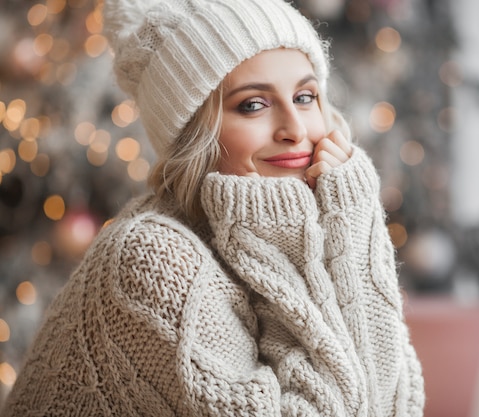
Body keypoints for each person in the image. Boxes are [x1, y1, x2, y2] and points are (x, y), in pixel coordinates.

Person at [1, 0, 425, 415]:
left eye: (305, 96)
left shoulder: (326, 220)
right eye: (252, 105)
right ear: (194, 132)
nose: (295, 129)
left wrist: (353, 223)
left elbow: (392, 403)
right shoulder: (153, 257)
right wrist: (287, 242)